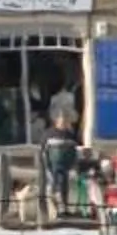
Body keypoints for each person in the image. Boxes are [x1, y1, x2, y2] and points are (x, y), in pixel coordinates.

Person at [44, 81, 80, 216]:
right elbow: (43, 151)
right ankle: (55, 210)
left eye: (65, 119)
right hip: (52, 166)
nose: (63, 121)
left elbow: (74, 151)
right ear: (56, 120)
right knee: (55, 186)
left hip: (66, 167)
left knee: (65, 186)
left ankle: (64, 208)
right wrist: (46, 166)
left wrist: (74, 166)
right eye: (61, 119)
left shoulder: (70, 135)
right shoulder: (49, 134)